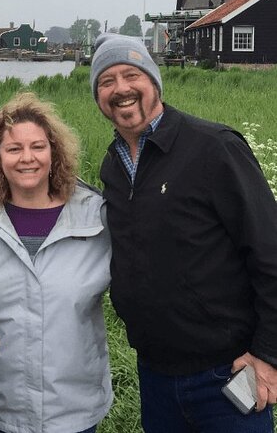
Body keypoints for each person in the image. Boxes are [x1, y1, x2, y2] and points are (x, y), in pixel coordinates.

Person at [90, 32, 277, 432]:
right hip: (154, 375)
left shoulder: (214, 148)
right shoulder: (113, 167)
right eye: (107, 81)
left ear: (154, 82)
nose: (121, 88)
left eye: (131, 74)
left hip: (225, 375)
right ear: (97, 96)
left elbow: (270, 254)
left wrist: (268, 355)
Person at [0, 92, 113, 433]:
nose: (26, 158)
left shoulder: (97, 214)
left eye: (38, 147)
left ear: (54, 151)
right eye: (13, 148)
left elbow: (144, 278)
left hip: (75, 407)